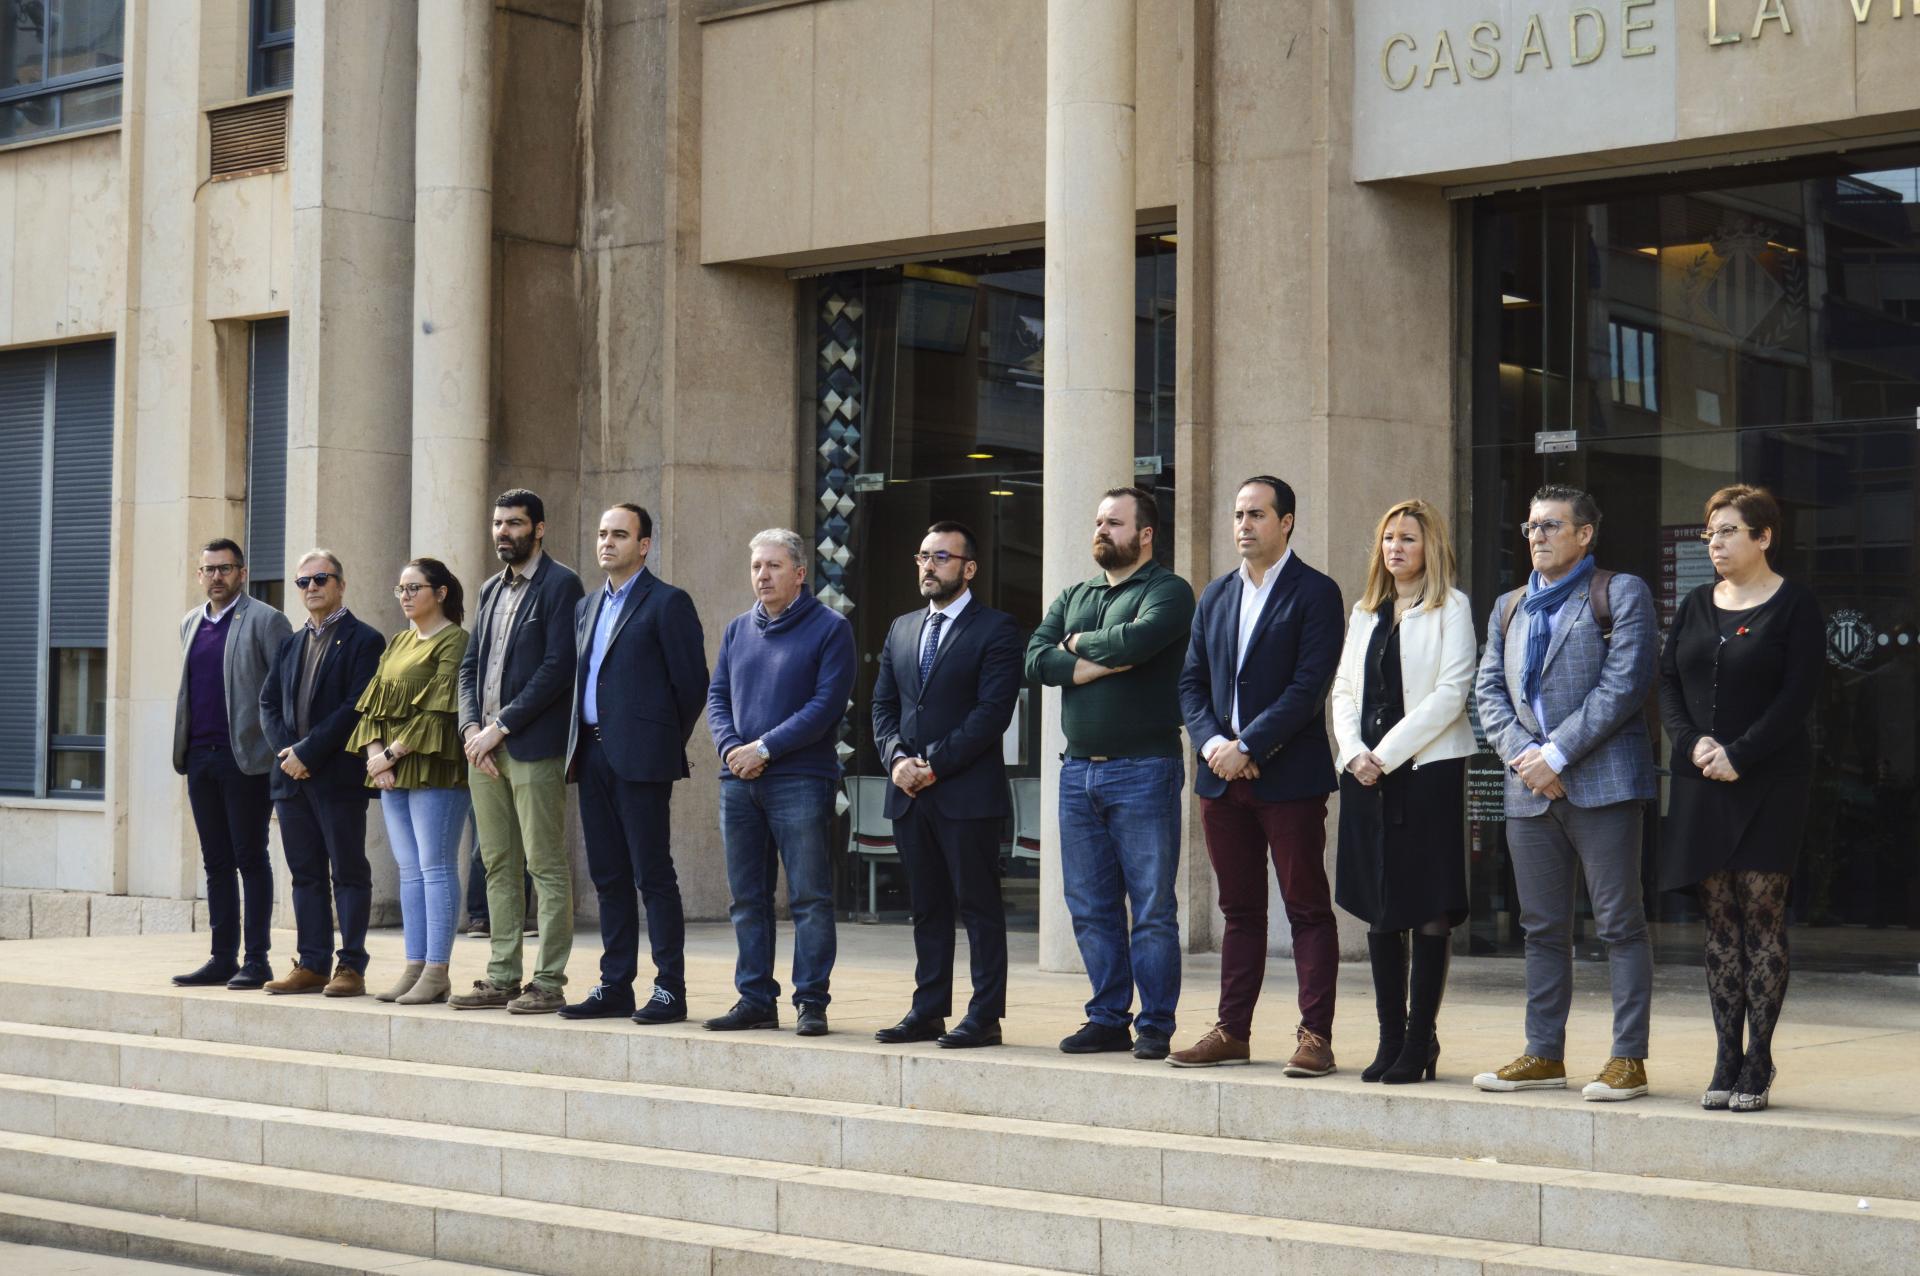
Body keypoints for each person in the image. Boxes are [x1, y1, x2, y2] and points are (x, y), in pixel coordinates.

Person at [1473, 484, 1659, 1102]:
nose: (1537, 536)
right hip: (1530, 789)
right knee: (1542, 929)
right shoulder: (1509, 607)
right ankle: (1543, 1053)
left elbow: (1623, 685)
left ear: (1585, 534)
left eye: (1551, 525)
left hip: (1602, 785)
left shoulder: (1619, 592)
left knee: (1620, 925)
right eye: (1531, 527)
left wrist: (1554, 754)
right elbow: (1488, 692)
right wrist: (1526, 759)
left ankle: (1628, 1059)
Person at [1169, 477, 1343, 1073]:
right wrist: (1215, 744)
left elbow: (1308, 686)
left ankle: (1315, 1037)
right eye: (1238, 514)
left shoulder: (1315, 592)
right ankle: (1232, 1032)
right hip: (1221, 780)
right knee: (1238, 912)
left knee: (1307, 908)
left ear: (1286, 522)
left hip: (1289, 778)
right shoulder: (1216, 594)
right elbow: (1191, 682)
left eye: (1257, 515)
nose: (1244, 525)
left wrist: (1249, 745)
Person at [1657, 485, 1822, 1113]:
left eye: (1728, 530)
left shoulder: (1795, 605)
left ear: (1764, 536)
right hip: (1701, 777)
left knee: (1761, 916)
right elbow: (1667, 683)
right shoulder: (1696, 604)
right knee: (1720, 921)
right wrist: (1693, 742)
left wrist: (1741, 754)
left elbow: (1798, 696)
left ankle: (1760, 1056)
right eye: (1710, 532)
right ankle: (1728, 1055)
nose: (1715, 543)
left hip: (1770, 780)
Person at [1024, 487, 1195, 1060]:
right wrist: (1102, 662)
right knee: (1090, 905)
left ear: (1145, 534)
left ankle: (1155, 1025)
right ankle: (1106, 1018)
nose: (1101, 530)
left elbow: (1139, 641)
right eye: (1098, 521)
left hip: (1145, 769)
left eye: (1114, 523)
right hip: (1077, 772)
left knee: (1151, 907)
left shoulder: (1168, 590)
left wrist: (1074, 646)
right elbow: (1035, 658)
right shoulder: (1076, 593)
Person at [1329, 500, 1476, 1084]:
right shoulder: (1365, 610)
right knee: (1381, 903)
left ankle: (1420, 1042)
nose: (1395, 548)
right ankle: (1390, 1038)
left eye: (1408, 538)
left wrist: (1384, 756)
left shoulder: (1452, 607)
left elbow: (1451, 693)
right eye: (1389, 538)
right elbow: (1343, 690)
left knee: (1427, 905)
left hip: (1424, 772)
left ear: (1429, 546)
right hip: (1364, 773)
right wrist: (1353, 753)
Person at [871, 521, 1023, 1049]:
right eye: (923, 556)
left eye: (941, 557)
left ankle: (985, 1016)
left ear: (969, 568)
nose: (928, 566)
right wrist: (896, 760)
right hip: (909, 795)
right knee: (927, 907)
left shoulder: (997, 629)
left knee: (979, 907)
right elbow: (882, 707)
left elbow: (991, 714)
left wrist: (933, 763)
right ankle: (928, 1010)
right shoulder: (901, 628)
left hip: (966, 795)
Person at [559, 504, 710, 1025]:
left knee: (653, 875)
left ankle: (670, 988)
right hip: (591, 754)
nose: (607, 542)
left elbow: (692, 685)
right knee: (608, 876)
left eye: (619, 535)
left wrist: (658, 741)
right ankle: (615, 984)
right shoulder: (586, 606)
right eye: (602, 533)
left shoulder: (668, 602)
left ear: (644, 545)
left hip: (642, 759)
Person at [704, 528, 856, 1036]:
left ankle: (811, 1001)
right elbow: (717, 697)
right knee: (747, 898)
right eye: (756, 567)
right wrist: (731, 748)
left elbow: (825, 706)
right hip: (738, 781)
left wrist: (763, 748)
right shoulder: (736, 630)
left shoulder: (831, 628)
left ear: (799, 573)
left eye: (773, 566)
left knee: (810, 898)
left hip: (800, 779)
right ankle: (754, 999)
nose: (763, 576)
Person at [452, 489, 585, 1014]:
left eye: (514, 523)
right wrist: (471, 728)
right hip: (482, 751)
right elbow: (470, 667)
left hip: (532, 747)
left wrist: (500, 727)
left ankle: (548, 982)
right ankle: (502, 976)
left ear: (539, 528)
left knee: (544, 864)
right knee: (498, 865)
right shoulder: (489, 589)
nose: (503, 532)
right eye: (498, 523)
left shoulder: (561, 584)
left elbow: (557, 668)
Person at [257, 551, 384, 997]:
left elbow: (356, 707)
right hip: (291, 780)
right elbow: (268, 703)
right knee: (305, 875)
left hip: (337, 778)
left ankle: (351, 967)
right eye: (303, 581)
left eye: (321, 579)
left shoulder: (365, 640)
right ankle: (312, 964)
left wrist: (308, 752)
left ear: (340, 585)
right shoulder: (290, 643)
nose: (311, 587)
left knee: (348, 872)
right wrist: (287, 754)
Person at [349, 557, 473, 1005]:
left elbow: (439, 710)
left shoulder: (455, 640)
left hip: (434, 765)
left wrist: (389, 755)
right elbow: (372, 705)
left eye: (414, 588)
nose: (405, 596)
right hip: (391, 769)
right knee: (409, 870)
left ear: (440, 593)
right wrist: (375, 758)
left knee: (435, 866)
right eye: (400, 588)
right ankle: (415, 965)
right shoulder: (399, 641)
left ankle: (437, 970)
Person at [171, 539, 292, 989]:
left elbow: (284, 692)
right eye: (209, 569)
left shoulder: (266, 620)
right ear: (199, 575)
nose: (216, 576)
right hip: (199, 757)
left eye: (225, 568)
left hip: (247, 759)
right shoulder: (190, 623)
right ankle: (222, 957)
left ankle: (257, 960)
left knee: (250, 856)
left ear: (242, 573)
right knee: (215, 860)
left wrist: (282, 750)